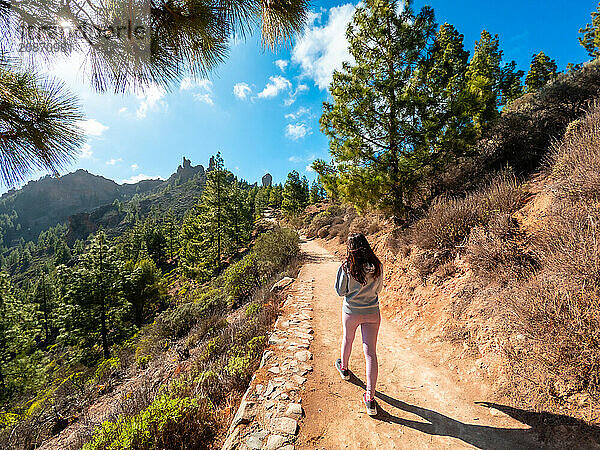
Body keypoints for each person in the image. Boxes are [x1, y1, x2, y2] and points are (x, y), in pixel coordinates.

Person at [334, 232, 383, 416]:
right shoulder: (377, 265)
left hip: (351, 311)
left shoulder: (347, 266)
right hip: (372, 311)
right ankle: (370, 399)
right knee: (370, 352)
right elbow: (379, 289)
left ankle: (344, 369)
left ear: (351, 248)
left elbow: (340, 291)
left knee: (348, 338)